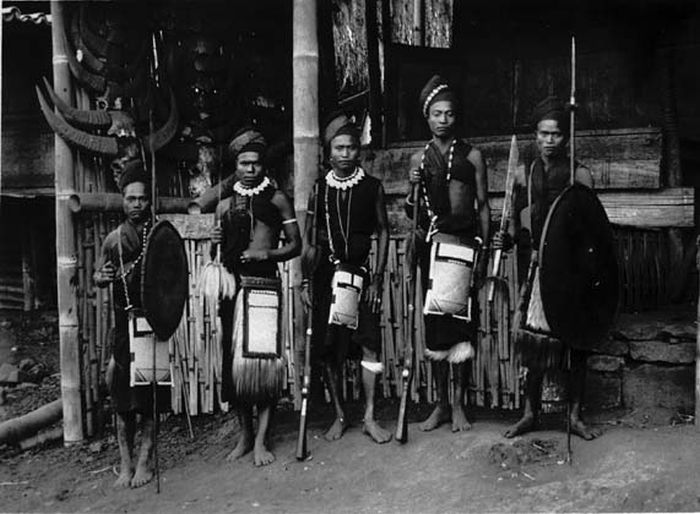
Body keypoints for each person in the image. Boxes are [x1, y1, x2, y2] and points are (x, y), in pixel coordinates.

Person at [498, 96, 600, 440]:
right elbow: (518, 217)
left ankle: (574, 415)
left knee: (575, 343)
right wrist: (508, 238)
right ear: (535, 135)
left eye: (556, 134)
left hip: (569, 270)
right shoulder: (526, 173)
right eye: (543, 133)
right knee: (533, 344)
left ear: (566, 137)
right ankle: (530, 413)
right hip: (535, 268)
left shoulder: (579, 174)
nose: (549, 140)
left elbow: (592, 229)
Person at [211, 128, 301, 466]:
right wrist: (214, 237)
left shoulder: (277, 199)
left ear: (264, 166)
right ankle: (245, 435)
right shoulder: (223, 205)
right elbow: (215, 254)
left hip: (263, 287)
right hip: (233, 290)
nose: (250, 169)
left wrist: (268, 256)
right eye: (244, 163)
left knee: (263, 365)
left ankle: (263, 440)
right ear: (235, 165)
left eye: (256, 163)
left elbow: (297, 244)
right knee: (235, 367)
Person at [406, 75, 490, 433]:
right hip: (432, 248)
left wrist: (484, 253)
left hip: (463, 246)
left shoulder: (472, 155)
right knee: (436, 329)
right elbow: (414, 214)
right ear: (428, 117)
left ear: (457, 117)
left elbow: (484, 206)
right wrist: (413, 188)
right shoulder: (419, 159)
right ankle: (440, 404)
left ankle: (458, 405)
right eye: (437, 113)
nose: (443, 119)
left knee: (461, 329)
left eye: (449, 113)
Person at [301, 112, 392, 444]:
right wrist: (307, 282)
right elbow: (310, 240)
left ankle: (369, 415)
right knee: (329, 350)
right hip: (327, 276)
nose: (344, 154)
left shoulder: (371, 187)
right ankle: (340, 414)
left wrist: (378, 278)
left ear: (359, 151)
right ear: (329, 152)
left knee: (369, 345)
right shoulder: (319, 190)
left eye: (351, 148)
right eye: (338, 148)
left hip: (362, 277)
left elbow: (383, 231)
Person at [94, 160, 165, 488]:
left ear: (150, 200)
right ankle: (124, 464)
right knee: (122, 403)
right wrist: (101, 277)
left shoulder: (161, 236)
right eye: (130, 198)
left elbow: (175, 280)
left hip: (154, 327)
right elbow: (99, 274)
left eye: (142, 198)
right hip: (124, 329)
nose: (137, 204)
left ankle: (145, 462)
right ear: (122, 200)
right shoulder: (112, 240)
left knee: (149, 400)